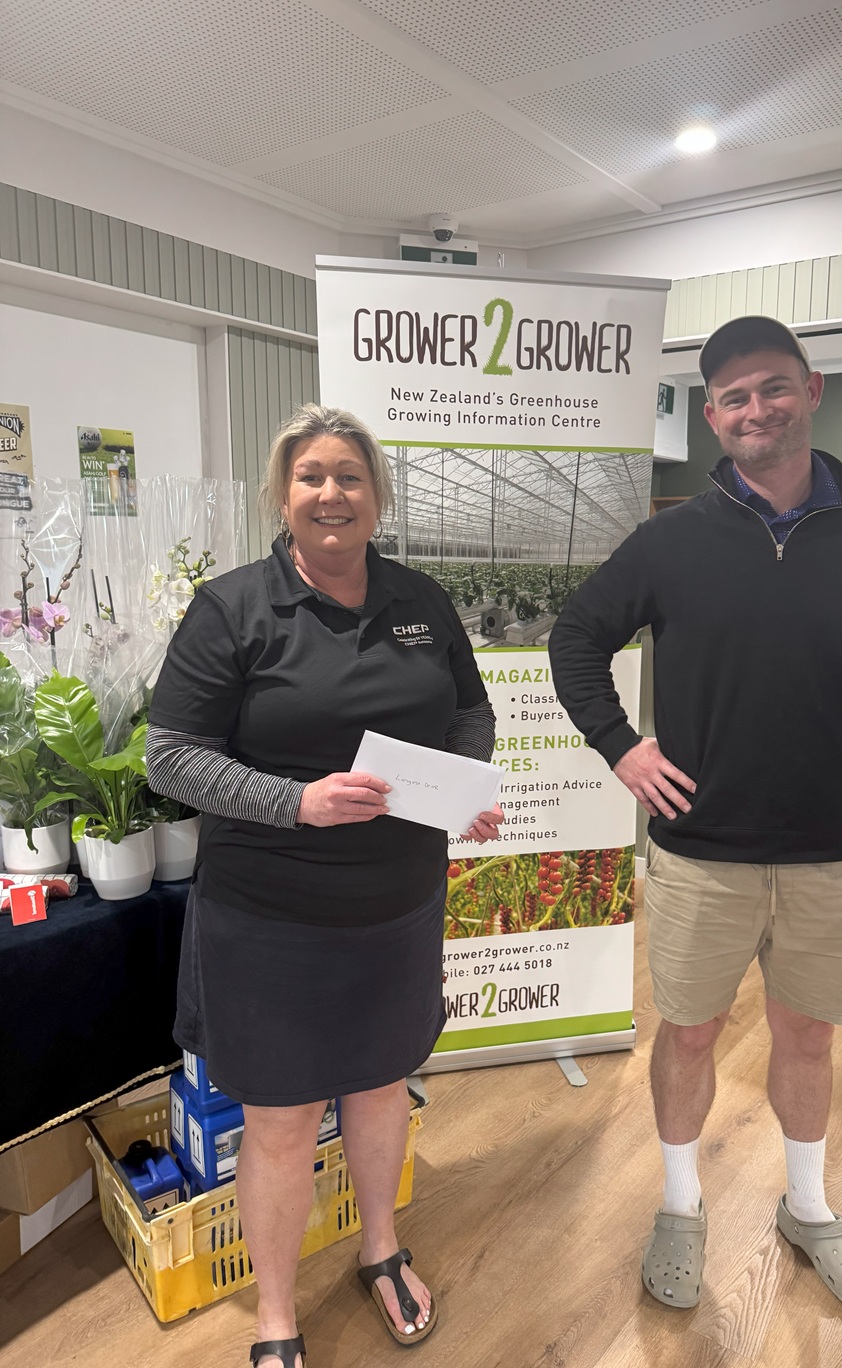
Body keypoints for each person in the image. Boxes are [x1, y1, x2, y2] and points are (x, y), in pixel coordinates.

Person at [549, 316, 842, 1315]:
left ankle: (808, 1208)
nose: (756, 409)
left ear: (812, 390)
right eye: (734, 396)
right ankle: (681, 1205)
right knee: (690, 1035)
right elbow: (576, 637)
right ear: (711, 415)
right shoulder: (673, 540)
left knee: (808, 1037)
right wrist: (622, 746)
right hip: (702, 853)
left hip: (831, 853)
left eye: (774, 386)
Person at [146, 404, 502, 1368]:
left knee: (383, 1089)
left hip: (396, 906)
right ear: (282, 495)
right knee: (282, 1119)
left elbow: (471, 712)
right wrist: (295, 802)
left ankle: (380, 1250)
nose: (331, 493)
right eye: (311, 476)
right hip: (271, 918)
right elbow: (171, 757)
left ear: (377, 497)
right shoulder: (232, 608)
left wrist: (463, 786)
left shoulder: (421, 600)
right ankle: (275, 1314)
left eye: (350, 476)